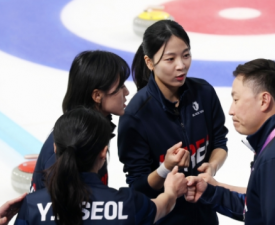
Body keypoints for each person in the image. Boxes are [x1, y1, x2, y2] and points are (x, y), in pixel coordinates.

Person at [185, 59, 275, 225]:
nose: (231, 111)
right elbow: (259, 208)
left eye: (236, 100)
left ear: (264, 100)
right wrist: (210, 193)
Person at [118, 20, 228, 224]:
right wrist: (165, 168)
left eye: (186, 55)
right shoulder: (135, 115)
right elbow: (137, 187)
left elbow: (220, 142)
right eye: (170, 59)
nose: (181, 65)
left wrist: (212, 166)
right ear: (149, 62)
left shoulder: (204, 93)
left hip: (205, 215)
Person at [15, 107, 187, 225]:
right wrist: (171, 191)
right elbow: (162, 206)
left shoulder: (32, 206)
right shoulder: (126, 203)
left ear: (55, 148)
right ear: (103, 153)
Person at [31, 50, 130, 192]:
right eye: (120, 87)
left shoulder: (86, 130)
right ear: (97, 95)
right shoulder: (75, 142)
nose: (126, 92)